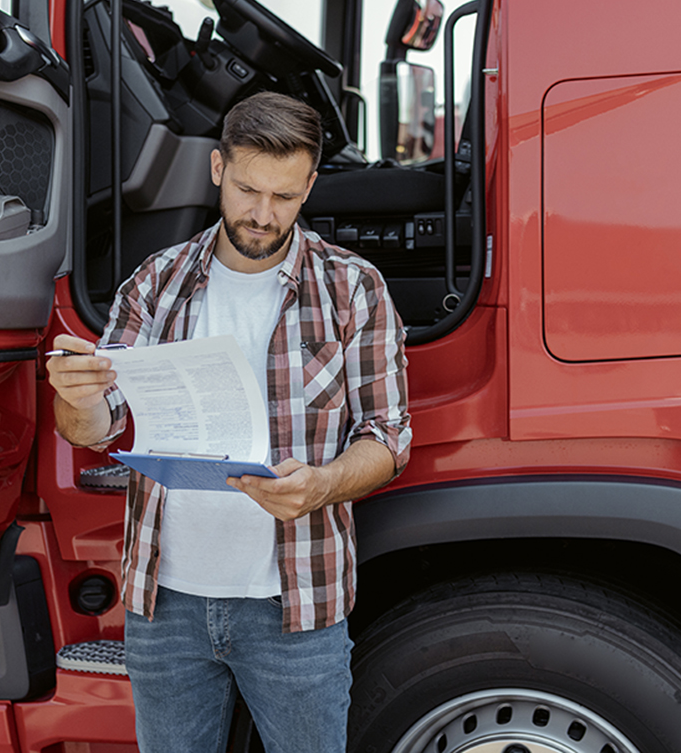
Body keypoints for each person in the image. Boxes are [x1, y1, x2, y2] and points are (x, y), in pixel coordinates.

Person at [46, 91, 411, 753]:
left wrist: (324, 484)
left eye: (284, 197)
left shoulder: (354, 289)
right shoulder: (155, 284)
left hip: (294, 606)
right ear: (217, 169)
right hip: (165, 605)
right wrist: (75, 394)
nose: (262, 214)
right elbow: (94, 427)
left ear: (308, 187)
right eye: (247, 190)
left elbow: (387, 437)